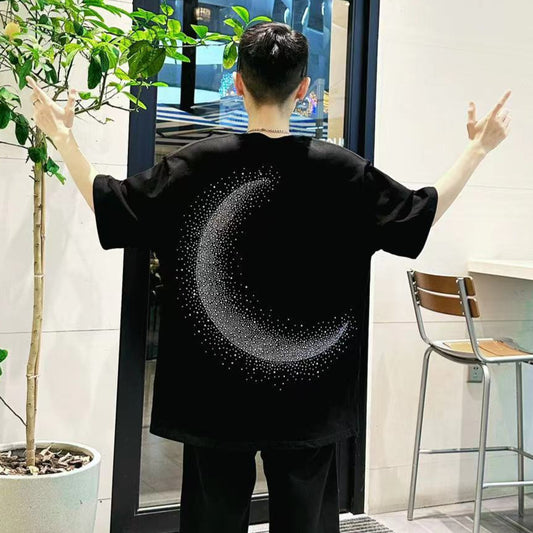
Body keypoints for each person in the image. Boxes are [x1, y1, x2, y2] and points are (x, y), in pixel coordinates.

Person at [26, 21, 510, 533]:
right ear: (304, 90)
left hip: (212, 396)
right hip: (311, 394)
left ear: (238, 83)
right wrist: (477, 150)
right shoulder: (342, 171)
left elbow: (112, 204)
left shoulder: (196, 165)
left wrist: (63, 137)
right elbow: (418, 215)